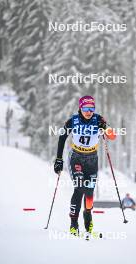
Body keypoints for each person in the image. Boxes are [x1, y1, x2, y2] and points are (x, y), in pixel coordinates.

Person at [54, 95, 116, 236]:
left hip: (92, 160)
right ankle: (74, 224)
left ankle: (87, 217)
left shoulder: (98, 120)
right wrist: (58, 159)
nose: (89, 111)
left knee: (89, 193)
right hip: (76, 157)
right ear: (80, 108)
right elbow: (62, 137)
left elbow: (112, 136)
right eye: (86, 108)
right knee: (79, 187)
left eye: (91, 108)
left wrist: (106, 127)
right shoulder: (73, 121)